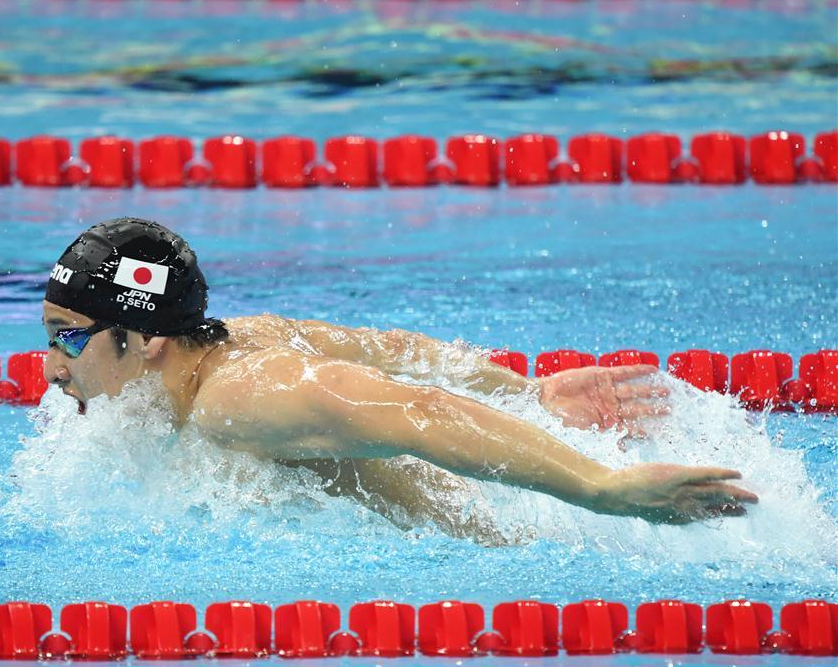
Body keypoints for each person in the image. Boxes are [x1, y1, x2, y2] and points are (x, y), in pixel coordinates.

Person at [42, 217, 758, 541]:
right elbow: (385, 347)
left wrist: (603, 490)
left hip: (511, 545)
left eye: (68, 338)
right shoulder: (238, 337)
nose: (51, 368)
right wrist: (525, 392)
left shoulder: (238, 400)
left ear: (145, 339)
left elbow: (416, 407)